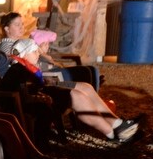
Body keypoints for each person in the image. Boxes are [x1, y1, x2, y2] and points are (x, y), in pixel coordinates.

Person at [7, 38, 137, 143]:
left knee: (86, 87)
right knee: (77, 96)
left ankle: (118, 124)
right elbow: (28, 90)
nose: (38, 54)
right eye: (34, 51)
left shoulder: (28, 66)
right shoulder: (19, 69)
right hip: (41, 95)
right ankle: (112, 134)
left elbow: (40, 81)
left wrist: (61, 81)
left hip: (47, 86)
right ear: (24, 54)